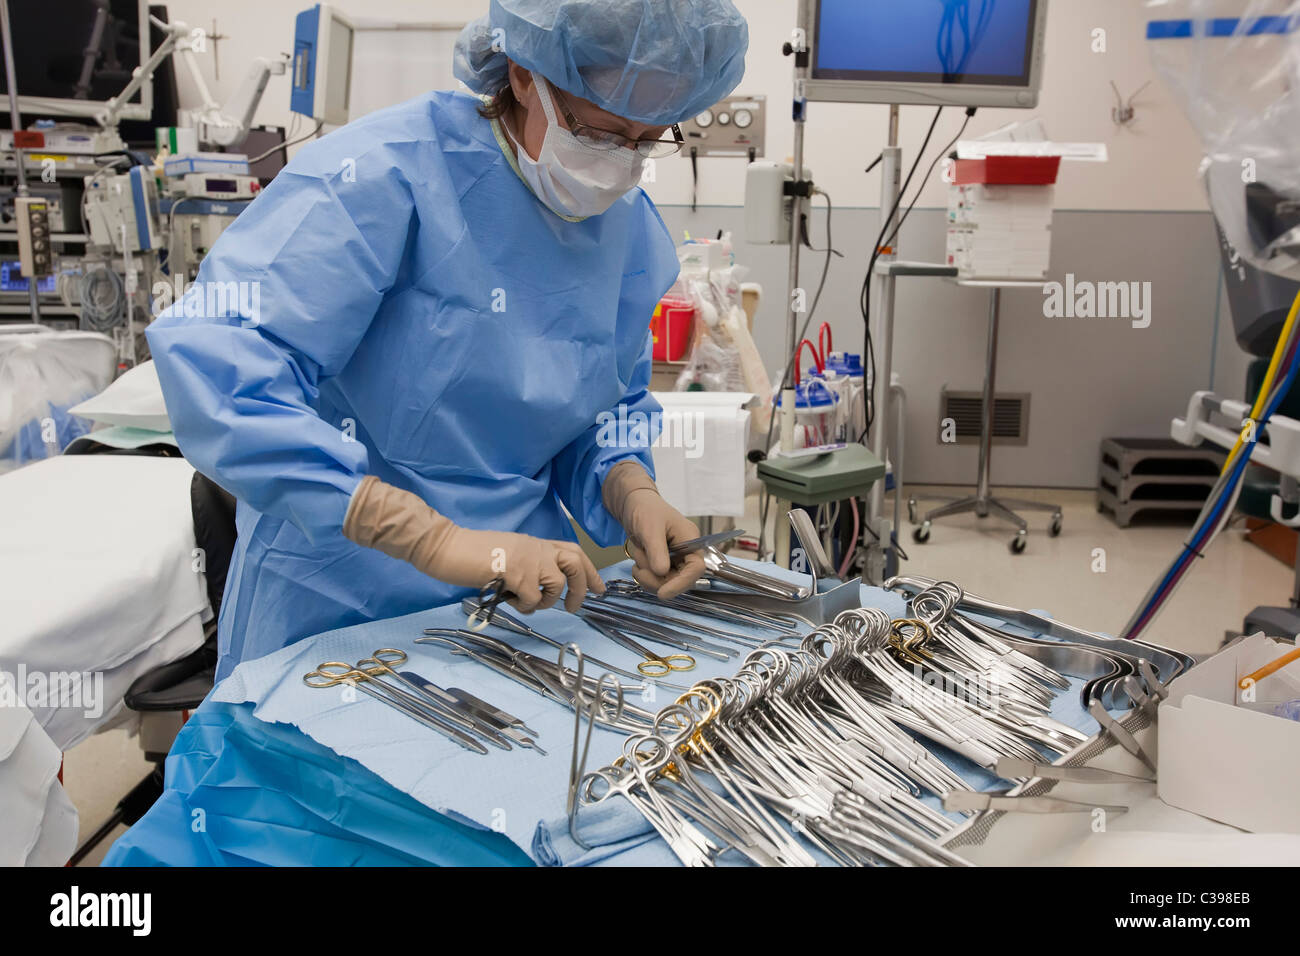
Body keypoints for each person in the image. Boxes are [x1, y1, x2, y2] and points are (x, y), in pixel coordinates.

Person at [146, 0, 750, 680]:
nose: (621, 163)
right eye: (603, 131)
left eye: (647, 141)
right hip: (339, 600)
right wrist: (428, 538)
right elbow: (216, 365)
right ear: (524, 76)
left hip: (521, 603)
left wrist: (630, 489)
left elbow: (595, 411)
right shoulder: (380, 175)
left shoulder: (625, 228)